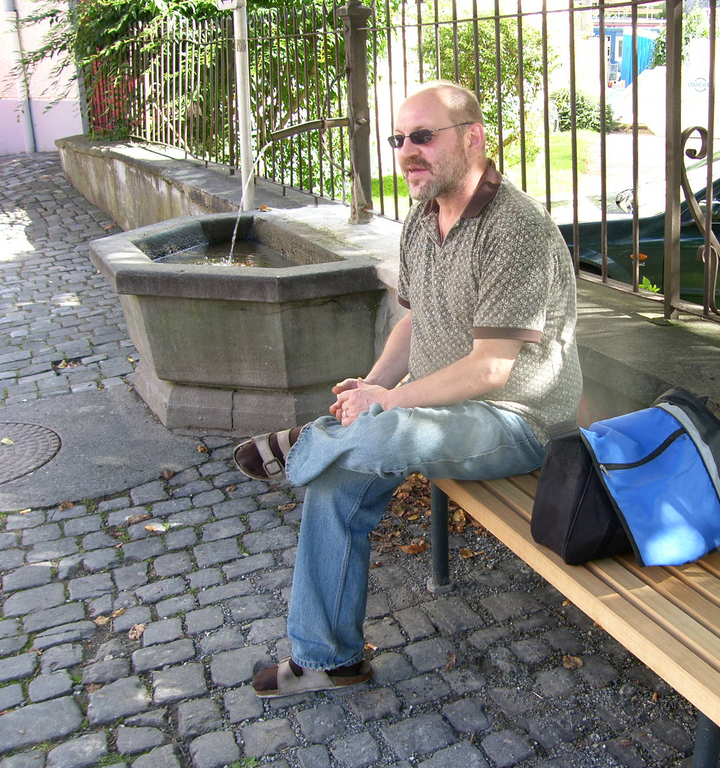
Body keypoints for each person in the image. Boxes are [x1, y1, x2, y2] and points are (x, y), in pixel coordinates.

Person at [236, 80, 582, 697]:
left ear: (472, 138)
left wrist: (387, 402)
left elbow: (491, 371)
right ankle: (328, 659)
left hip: (517, 420)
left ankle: (310, 442)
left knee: (381, 431)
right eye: (398, 139)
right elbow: (415, 320)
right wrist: (374, 384)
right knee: (338, 479)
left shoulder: (516, 230)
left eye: (423, 136)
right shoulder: (424, 219)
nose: (406, 151)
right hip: (436, 409)